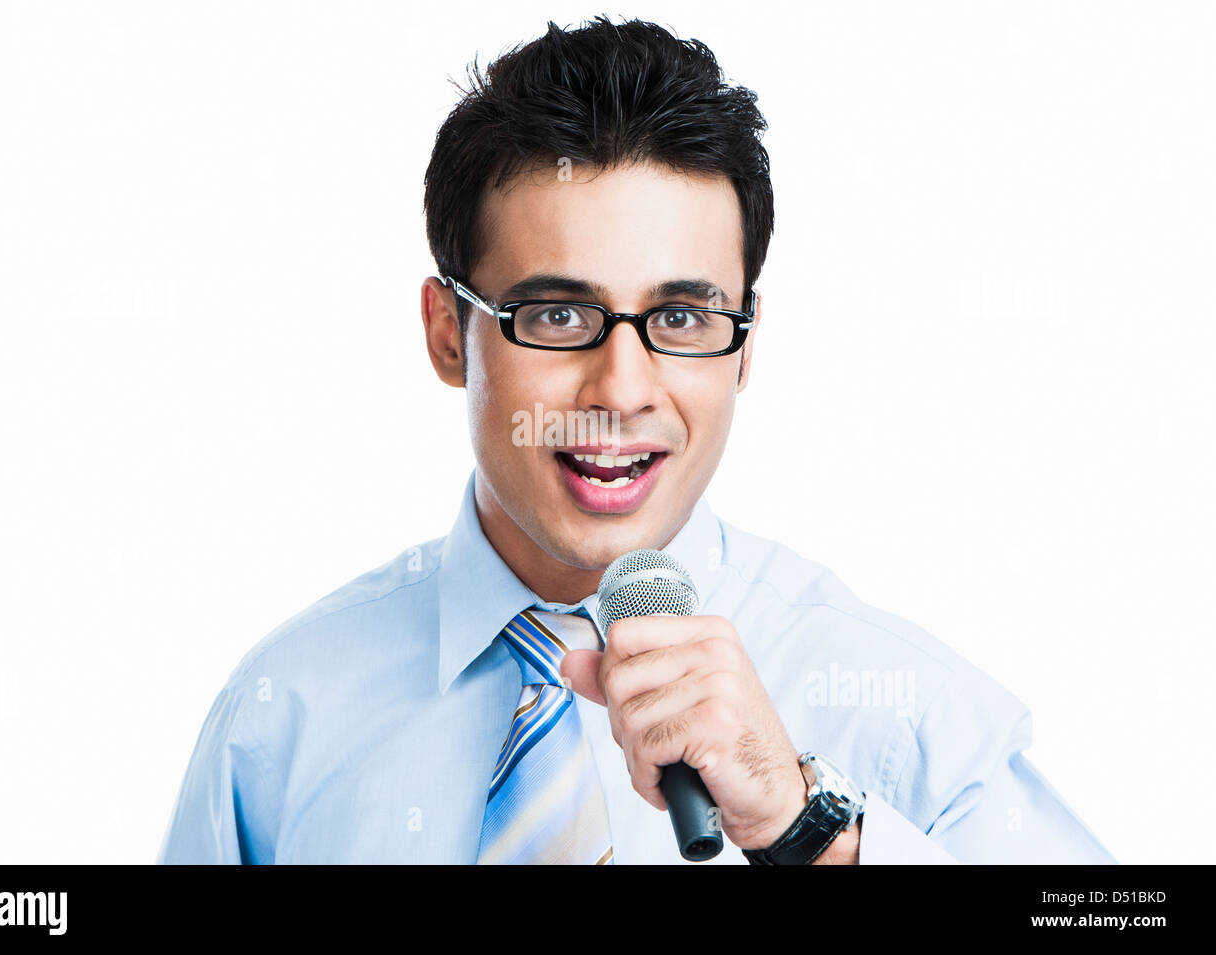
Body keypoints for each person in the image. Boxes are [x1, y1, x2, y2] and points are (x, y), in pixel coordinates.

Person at [157, 16, 1115, 865]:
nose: (621, 390)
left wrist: (812, 833)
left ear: (744, 348)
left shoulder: (907, 716)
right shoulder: (285, 716)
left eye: (684, 319)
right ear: (449, 331)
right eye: (560, 315)